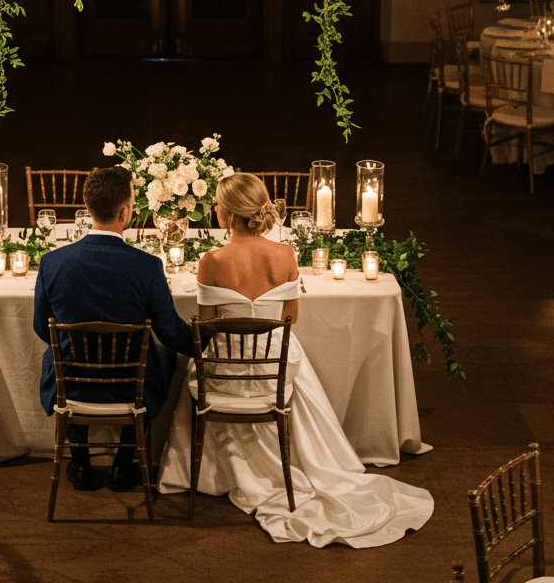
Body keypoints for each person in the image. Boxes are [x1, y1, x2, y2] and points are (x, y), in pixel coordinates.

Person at [157, 172, 434, 547]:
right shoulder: (285, 254)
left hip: (226, 371)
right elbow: (290, 320)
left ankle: (215, 473)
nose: (216, 209)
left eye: (219, 205)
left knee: (196, 368)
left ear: (227, 215)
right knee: (292, 362)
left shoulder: (212, 261)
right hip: (275, 365)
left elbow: (206, 328)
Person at [33, 165, 196, 491]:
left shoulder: (52, 263)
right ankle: (125, 461)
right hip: (129, 386)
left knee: (59, 356)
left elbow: (41, 327)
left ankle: (80, 465)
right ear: (125, 212)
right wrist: (211, 345)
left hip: (73, 383)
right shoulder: (147, 267)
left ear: (89, 206)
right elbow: (170, 333)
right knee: (164, 357)